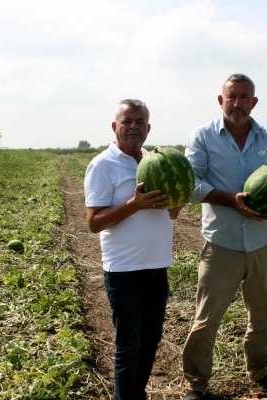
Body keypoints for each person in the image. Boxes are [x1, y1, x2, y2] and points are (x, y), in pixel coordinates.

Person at [181, 74, 267, 400]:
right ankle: (195, 386)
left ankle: (261, 371)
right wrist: (231, 199)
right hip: (222, 244)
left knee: (264, 315)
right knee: (206, 320)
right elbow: (189, 184)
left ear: (254, 102)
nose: (237, 103)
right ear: (220, 100)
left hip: (262, 242)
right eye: (232, 96)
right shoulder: (203, 137)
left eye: (244, 97)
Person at [84, 99, 181, 400]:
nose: (133, 127)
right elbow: (94, 223)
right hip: (124, 272)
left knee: (151, 341)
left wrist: (175, 198)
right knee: (129, 348)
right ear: (115, 126)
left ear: (148, 129)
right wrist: (133, 205)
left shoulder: (156, 160)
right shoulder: (102, 165)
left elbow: (173, 213)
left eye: (140, 122)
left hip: (158, 267)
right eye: (127, 121)